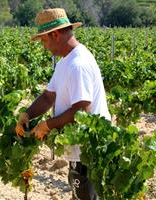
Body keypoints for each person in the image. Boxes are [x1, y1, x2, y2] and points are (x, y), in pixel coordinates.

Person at [15, 8, 111, 200]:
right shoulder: (65, 63)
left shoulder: (78, 64)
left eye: (44, 40)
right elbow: (48, 97)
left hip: (89, 150)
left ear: (56, 34)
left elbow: (81, 111)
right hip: (78, 151)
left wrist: (47, 125)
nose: (44, 46)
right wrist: (27, 114)